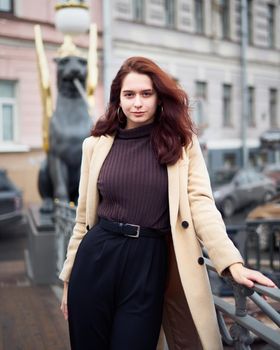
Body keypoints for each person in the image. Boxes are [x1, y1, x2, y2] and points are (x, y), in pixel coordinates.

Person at [59, 56, 276, 350]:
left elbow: (201, 204)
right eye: (129, 94)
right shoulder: (95, 145)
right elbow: (82, 219)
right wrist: (68, 281)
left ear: (159, 97)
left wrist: (231, 262)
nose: (137, 102)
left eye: (146, 94)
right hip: (96, 258)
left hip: (148, 264)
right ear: (117, 99)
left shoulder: (181, 144)